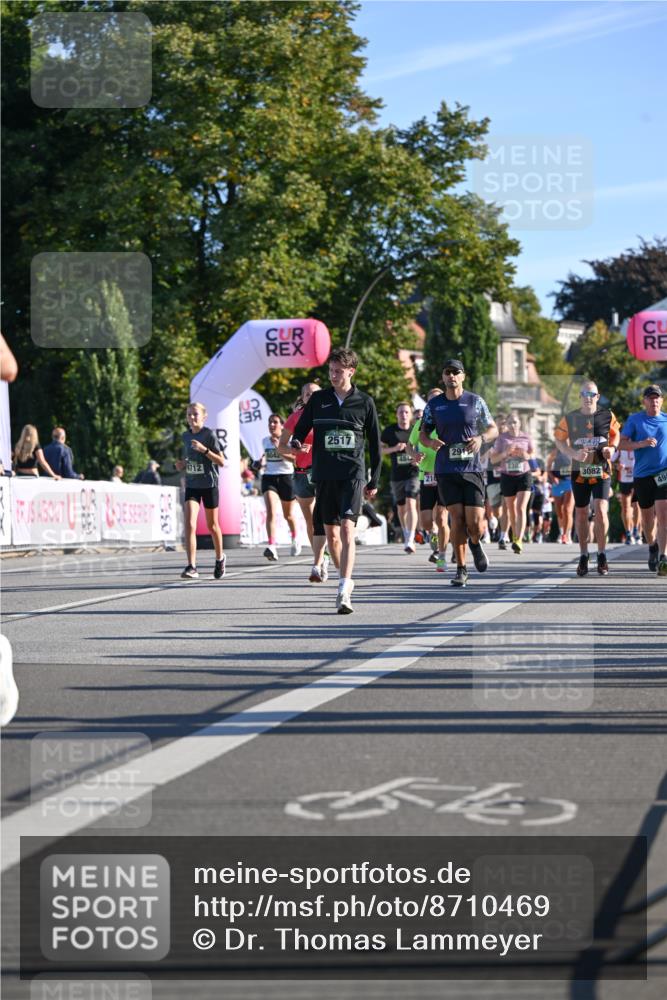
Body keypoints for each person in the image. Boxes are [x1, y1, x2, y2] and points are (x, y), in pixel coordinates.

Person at [292, 346, 382, 614]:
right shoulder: (318, 400)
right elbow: (301, 428)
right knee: (331, 535)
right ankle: (340, 575)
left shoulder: (364, 402)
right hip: (325, 474)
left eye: (338, 371)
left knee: (346, 528)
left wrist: (374, 479)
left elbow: (375, 445)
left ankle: (344, 586)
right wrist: (296, 441)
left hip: (352, 475)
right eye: (331, 371)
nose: (333, 375)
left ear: (351, 372)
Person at [420, 358, 498, 588]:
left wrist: (480, 438)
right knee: (457, 518)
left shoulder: (475, 401)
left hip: (471, 469)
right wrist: (430, 442)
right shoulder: (434, 405)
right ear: (442, 377)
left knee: (475, 523)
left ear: (463, 376)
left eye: (456, 372)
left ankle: (475, 542)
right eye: (447, 373)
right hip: (446, 469)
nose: (451, 376)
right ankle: (461, 569)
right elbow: (423, 433)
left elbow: (493, 429)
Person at [554, 379, 620, 577]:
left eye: (592, 395)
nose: (588, 398)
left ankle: (601, 554)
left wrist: (612, 448)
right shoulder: (571, 418)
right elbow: (559, 439)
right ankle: (583, 555)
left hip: (601, 470)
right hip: (579, 473)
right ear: (580, 397)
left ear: (597, 397)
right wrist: (573, 454)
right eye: (585, 394)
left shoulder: (607, 415)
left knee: (600, 510)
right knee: (581, 513)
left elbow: (616, 434)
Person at [280, 382, 335, 582]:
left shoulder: (329, 415)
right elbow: (281, 448)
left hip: (322, 472)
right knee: (310, 521)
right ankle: (321, 558)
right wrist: (295, 451)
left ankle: (319, 563)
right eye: (306, 394)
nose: (310, 397)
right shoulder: (295, 417)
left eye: (314, 394)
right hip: (301, 474)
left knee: (323, 519)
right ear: (302, 398)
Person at [619, 384, 667, 576]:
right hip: (642, 475)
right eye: (650, 398)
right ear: (644, 401)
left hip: (664, 474)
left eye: (658, 398)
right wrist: (641, 444)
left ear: (662, 401)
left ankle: (663, 558)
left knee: (663, 515)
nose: (654, 401)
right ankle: (652, 546)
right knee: (647, 519)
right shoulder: (635, 420)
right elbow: (621, 444)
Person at [177, 401, 226, 580]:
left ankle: (220, 558)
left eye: (195, 414)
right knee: (190, 524)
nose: (191, 418)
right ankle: (192, 566)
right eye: (189, 414)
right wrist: (182, 464)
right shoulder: (185, 436)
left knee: (213, 526)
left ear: (204, 417)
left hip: (209, 485)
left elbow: (221, 462)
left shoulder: (209, 435)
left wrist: (205, 450)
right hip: (192, 485)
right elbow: (188, 459)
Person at [408, 388, 450, 571]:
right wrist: (414, 455)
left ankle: (442, 556)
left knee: (441, 517)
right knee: (426, 521)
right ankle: (434, 538)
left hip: (445, 474)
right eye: (430, 401)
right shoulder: (421, 423)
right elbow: (409, 446)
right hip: (426, 475)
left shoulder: (449, 422)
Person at [490, 412, 535, 554]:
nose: (512, 425)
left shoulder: (526, 437)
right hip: (507, 475)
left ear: (519, 423)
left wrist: (526, 455)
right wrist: (505, 453)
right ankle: (515, 534)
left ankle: (519, 540)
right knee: (511, 509)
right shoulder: (502, 439)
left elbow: (533, 453)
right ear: (506, 424)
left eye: (515, 422)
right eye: (510, 423)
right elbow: (493, 460)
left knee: (521, 507)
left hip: (524, 474)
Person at [382, 402, 421, 553]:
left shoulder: (415, 430)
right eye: (400, 412)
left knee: (411, 503)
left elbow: (425, 449)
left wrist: (418, 459)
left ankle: (410, 538)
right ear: (396, 415)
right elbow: (380, 450)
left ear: (410, 415)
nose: (403, 415)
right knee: (401, 507)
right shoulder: (390, 431)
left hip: (413, 473)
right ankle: (406, 534)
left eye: (406, 412)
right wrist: (394, 448)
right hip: (397, 474)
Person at [260, 414, 299, 561]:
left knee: (287, 515)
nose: (272, 425)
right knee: (270, 511)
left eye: (275, 422)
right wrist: (258, 463)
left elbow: (296, 461)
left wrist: (280, 450)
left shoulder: (288, 441)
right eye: (270, 422)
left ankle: (295, 539)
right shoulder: (265, 441)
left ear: (282, 425)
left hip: (286, 477)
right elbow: (265, 457)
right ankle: (272, 546)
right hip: (269, 477)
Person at [612, 447, 641, 545]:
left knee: (636, 505)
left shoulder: (638, 442)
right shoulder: (620, 445)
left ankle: (636, 531)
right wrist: (617, 466)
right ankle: (628, 533)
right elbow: (610, 461)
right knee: (625, 508)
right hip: (624, 480)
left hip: (637, 478)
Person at [546, 446, 574, 544]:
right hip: (557, 483)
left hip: (570, 482)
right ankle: (562, 532)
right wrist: (552, 477)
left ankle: (567, 534)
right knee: (559, 511)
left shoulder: (574, 449)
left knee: (567, 510)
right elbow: (548, 467)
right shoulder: (556, 451)